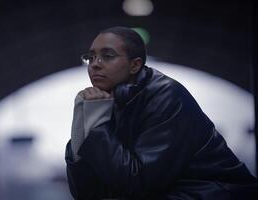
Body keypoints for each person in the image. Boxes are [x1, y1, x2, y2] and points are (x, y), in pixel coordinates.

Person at [65, 26, 258, 199]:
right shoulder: (108, 102)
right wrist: (80, 128)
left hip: (212, 192)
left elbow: (136, 183)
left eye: (107, 56)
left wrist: (96, 123)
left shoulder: (166, 96)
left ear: (135, 65)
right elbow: (88, 193)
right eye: (90, 57)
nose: (95, 64)